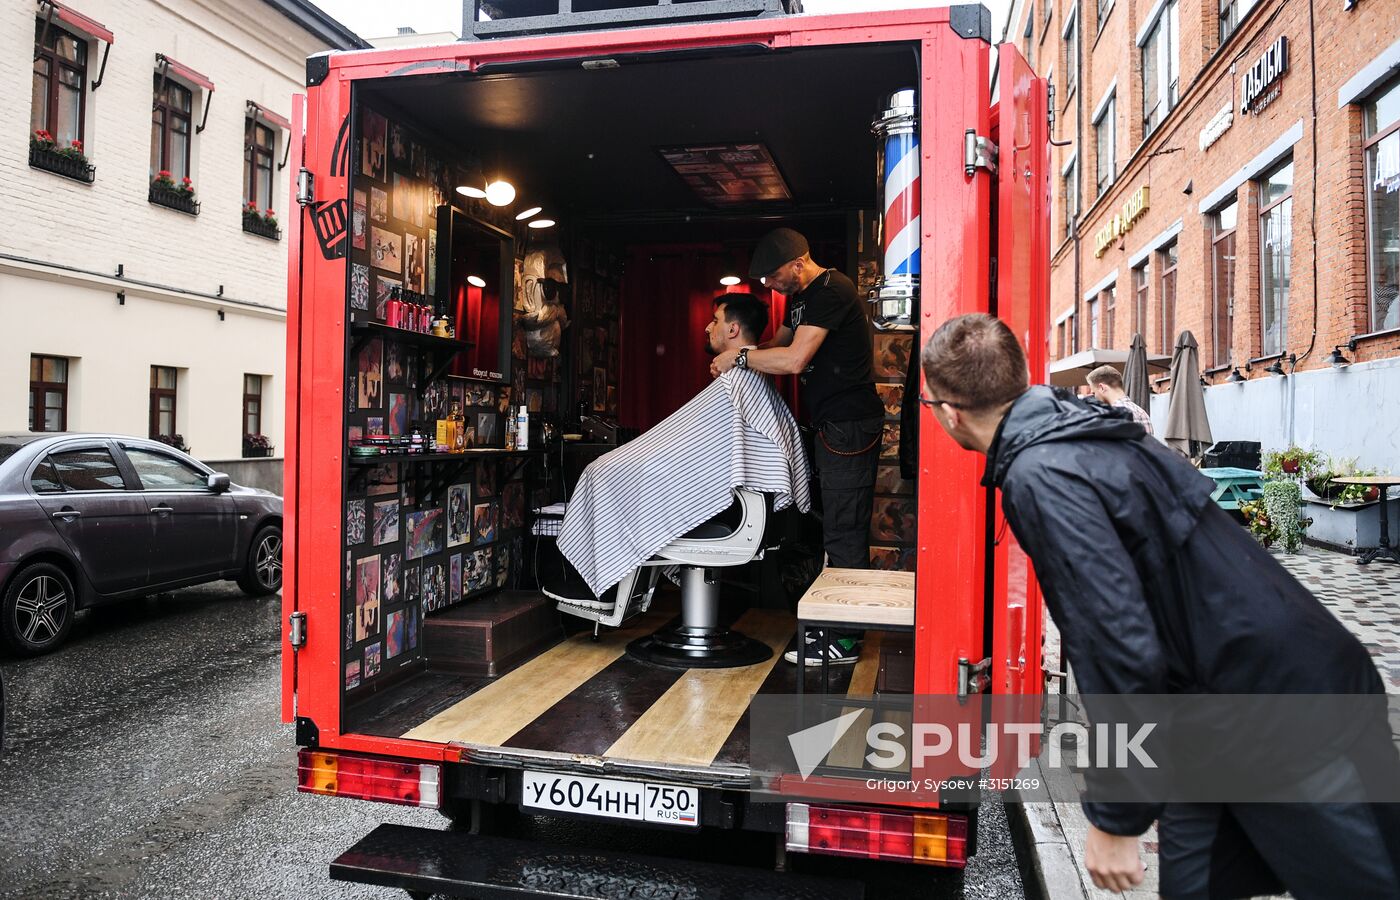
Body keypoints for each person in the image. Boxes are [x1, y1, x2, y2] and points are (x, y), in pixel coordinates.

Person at [918, 312, 1400, 898]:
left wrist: (1114, 818)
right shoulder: (1090, 431)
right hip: (1219, 703)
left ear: (949, 412)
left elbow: (1117, 643)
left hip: (1275, 706)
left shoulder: (1041, 472)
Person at [710, 228, 884, 666]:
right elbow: (779, 343)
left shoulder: (834, 289)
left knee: (845, 532)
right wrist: (741, 351)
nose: (768, 286)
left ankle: (844, 642)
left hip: (849, 425)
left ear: (796, 263)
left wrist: (741, 358)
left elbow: (793, 360)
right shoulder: (800, 297)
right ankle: (835, 627)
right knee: (830, 530)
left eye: (772, 277)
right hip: (829, 425)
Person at [1085, 364, 1153, 434]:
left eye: (1094, 393)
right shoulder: (1141, 411)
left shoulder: (1114, 414)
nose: (1094, 397)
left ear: (1102, 387)